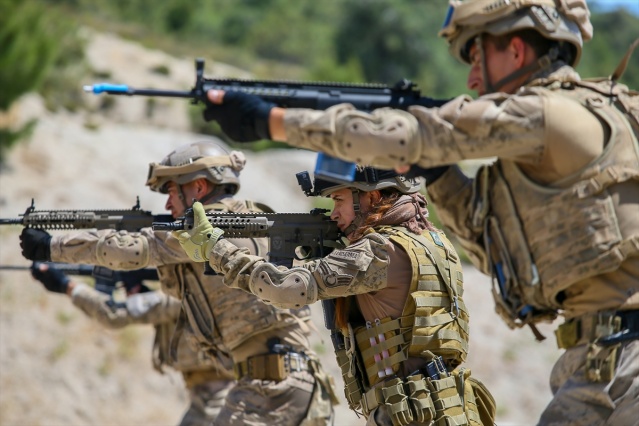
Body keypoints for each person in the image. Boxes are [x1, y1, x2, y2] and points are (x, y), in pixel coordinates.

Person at [196, 1, 639, 424]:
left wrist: (272, 121)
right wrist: (440, 173)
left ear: (517, 49)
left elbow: (410, 137)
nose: (471, 80)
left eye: (477, 58)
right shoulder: (613, 112)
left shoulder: (548, 115)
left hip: (620, 356)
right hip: (599, 356)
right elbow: (490, 252)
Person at [20, 140, 336, 425]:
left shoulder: (202, 228)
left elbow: (136, 248)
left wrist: (52, 246)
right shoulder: (249, 217)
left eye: (172, 191)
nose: (169, 205)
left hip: (272, 388)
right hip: (285, 384)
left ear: (198, 187)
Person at [174, 166, 496, 426]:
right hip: (442, 406)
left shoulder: (380, 252)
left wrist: (215, 250)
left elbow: (287, 289)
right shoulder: (433, 240)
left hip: (415, 413)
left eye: (339, 200)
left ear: (370, 196)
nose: (333, 214)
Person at [29, 261, 235, 426]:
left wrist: (66, 285)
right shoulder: (206, 295)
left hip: (215, 402)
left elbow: (114, 314)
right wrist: (140, 291)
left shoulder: (182, 298)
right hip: (219, 396)